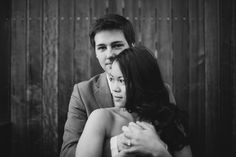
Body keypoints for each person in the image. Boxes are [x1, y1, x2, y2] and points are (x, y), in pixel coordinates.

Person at [60, 14, 176, 157]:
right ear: (95, 52)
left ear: (131, 47)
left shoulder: (161, 90)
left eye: (117, 45)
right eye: (102, 47)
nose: (110, 54)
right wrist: (120, 143)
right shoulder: (82, 92)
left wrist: (158, 147)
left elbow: (177, 144)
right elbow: (67, 152)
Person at [75, 46, 192, 157]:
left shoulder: (170, 118)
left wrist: (158, 149)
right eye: (112, 79)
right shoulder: (101, 118)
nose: (115, 88)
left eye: (122, 81)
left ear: (142, 81)